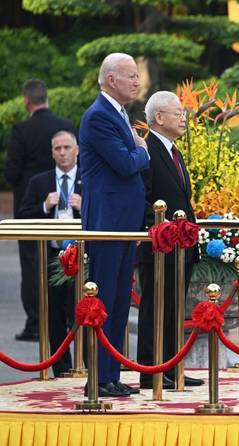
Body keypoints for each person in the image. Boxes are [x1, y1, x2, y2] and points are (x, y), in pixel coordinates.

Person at [79, 53, 150, 397]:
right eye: (131, 76)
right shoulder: (99, 116)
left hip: (123, 222)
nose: (137, 81)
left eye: (137, 76)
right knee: (104, 297)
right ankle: (99, 374)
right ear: (111, 80)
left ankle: (111, 372)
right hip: (107, 223)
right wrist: (144, 150)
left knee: (121, 299)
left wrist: (136, 149)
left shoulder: (118, 113)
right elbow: (125, 163)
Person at [136, 91, 203, 389]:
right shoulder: (147, 150)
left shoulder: (173, 151)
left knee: (175, 308)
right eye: (178, 112)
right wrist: (159, 226)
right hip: (160, 247)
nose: (183, 117)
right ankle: (152, 371)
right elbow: (143, 197)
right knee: (155, 308)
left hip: (182, 246)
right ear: (159, 117)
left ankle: (172, 366)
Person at [5, 79, 76, 342]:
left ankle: (36, 322)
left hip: (30, 208)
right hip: (51, 207)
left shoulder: (21, 130)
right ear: (47, 98)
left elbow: (11, 172)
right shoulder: (66, 126)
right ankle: (68, 319)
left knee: (33, 265)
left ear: (26, 101)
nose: (61, 152)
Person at [16, 130, 81, 377]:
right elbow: (22, 217)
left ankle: (84, 365)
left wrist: (83, 205)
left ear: (77, 150)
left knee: (82, 312)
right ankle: (62, 368)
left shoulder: (90, 179)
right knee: (53, 314)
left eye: (67, 147)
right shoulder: (39, 182)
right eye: (57, 149)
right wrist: (45, 206)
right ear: (52, 153)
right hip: (52, 255)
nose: (62, 153)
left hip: (81, 255)